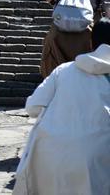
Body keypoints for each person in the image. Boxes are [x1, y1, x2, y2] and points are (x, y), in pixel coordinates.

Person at [12, 19, 110, 195]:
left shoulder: (63, 70)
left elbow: (33, 107)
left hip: (49, 154)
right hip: (97, 159)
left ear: (90, 41)